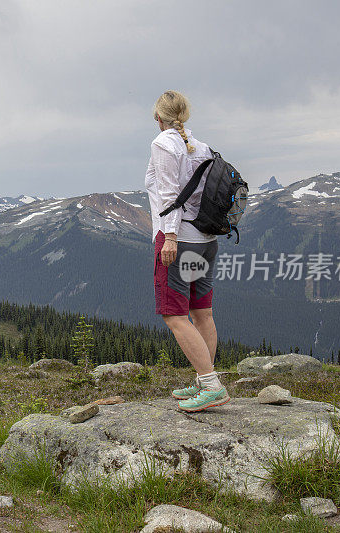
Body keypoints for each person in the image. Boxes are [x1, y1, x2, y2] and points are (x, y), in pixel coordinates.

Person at [144, 90, 230, 412]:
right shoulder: (202, 148)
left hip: (179, 241)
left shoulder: (164, 144)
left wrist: (169, 238)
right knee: (201, 312)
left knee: (175, 315)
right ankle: (202, 380)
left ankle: (210, 385)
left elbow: (168, 196)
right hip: (206, 241)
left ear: (158, 118)